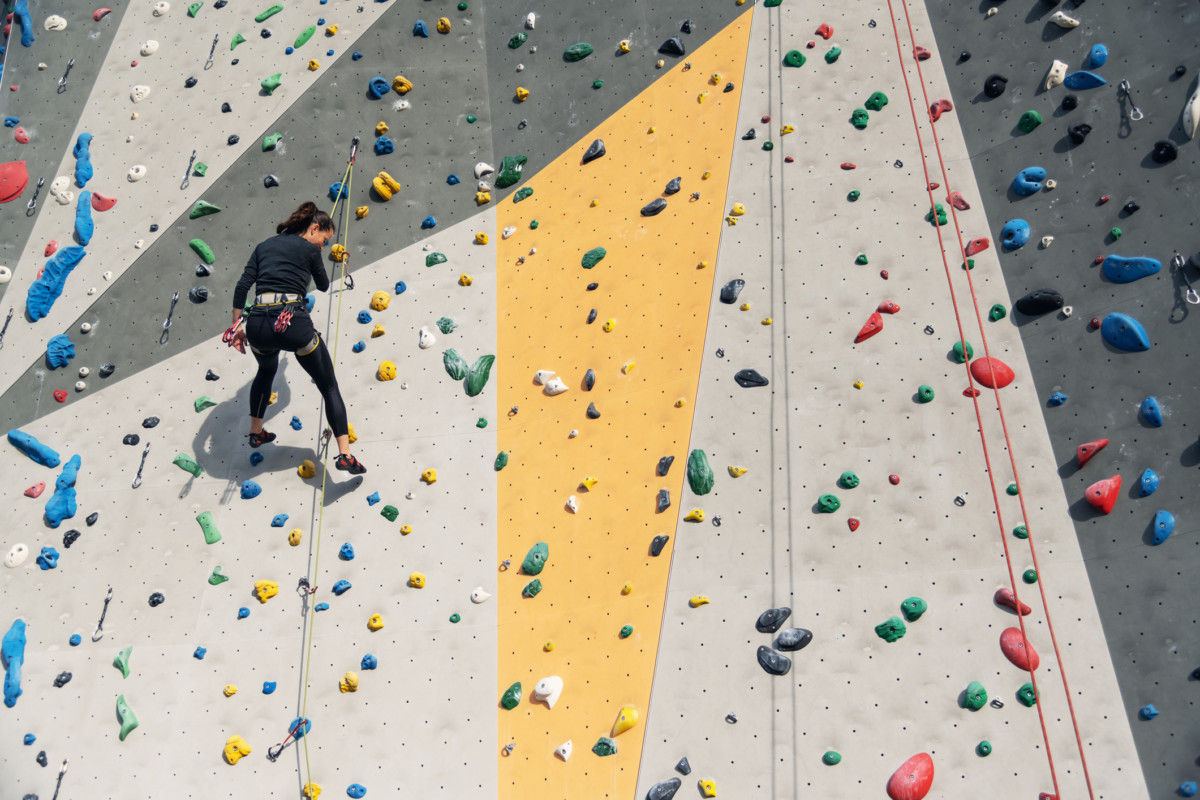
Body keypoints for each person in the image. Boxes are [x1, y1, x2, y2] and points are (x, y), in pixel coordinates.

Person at [228, 201, 367, 474]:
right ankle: (345, 455)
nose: (323, 247)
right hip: (291, 324)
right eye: (324, 241)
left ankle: (255, 431)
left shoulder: (263, 246)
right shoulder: (309, 249)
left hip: (257, 325)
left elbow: (243, 285)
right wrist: (318, 261)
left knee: (266, 370)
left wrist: (235, 328)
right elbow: (325, 285)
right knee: (328, 386)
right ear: (314, 228)